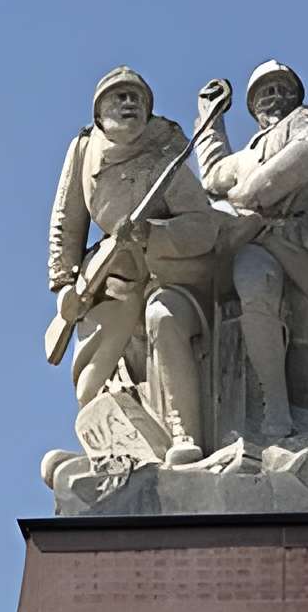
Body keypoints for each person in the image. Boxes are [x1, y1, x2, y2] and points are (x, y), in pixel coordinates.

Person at [48, 67, 224, 463]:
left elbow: (203, 227)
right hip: (109, 274)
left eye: (137, 97)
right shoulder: (83, 149)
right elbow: (66, 221)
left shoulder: (165, 154)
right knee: (89, 387)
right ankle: (110, 451)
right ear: (99, 112)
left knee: (164, 317)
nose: (129, 103)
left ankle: (183, 432)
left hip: (168, 273)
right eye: (119, 96)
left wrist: (150, 234)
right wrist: (63, 285)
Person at [196, 58, 308, 440]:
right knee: (251, 280)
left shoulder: (304, 121)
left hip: (302, 240)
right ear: (253, 107)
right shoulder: (246, 155)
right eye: (265, 93)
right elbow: (212, 176)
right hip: (259, 242)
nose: (274, 97)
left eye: (281, 89)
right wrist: (209, 120)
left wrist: (245, 196)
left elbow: (306, 155)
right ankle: (274, 404)